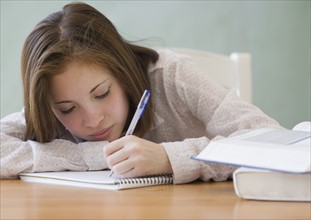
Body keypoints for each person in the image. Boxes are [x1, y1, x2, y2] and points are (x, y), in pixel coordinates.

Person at [0, 2, 282, 182]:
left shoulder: (172, 74)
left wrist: (168, 158)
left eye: (101, 94)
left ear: (122, 71)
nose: (93, 119)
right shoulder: (49, 102)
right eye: (68, 109)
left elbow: (266, 139)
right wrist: (94, 155)